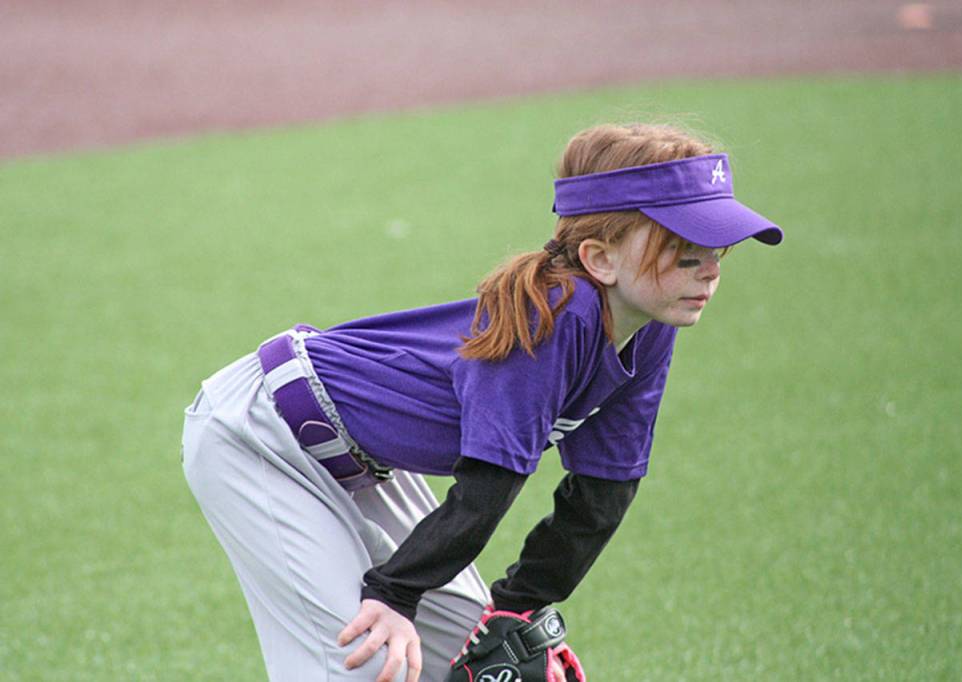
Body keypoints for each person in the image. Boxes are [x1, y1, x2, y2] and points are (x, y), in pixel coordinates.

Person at [181, 122, 782, 682]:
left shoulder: (648, 328)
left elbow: (604, 491)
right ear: (600, 258)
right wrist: (392, 595)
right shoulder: (554, 318)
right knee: (364, 660)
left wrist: (520, 607)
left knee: (496, 664)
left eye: (718, 249)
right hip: (260, 433)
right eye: (683, 249)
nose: (707, 271)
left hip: (356, 457)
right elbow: (488, 486)